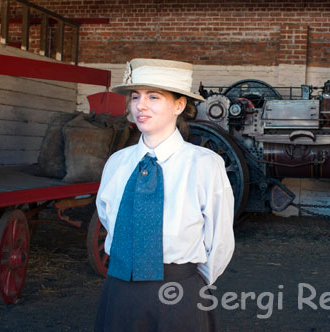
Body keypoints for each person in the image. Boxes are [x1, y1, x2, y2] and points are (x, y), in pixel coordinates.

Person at [94, 58, 235, 332]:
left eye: (154, 97)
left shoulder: (204, 165)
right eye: (136, 97)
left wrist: (188, 286)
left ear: (179, 105)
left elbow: (220, 240)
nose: (141, 106)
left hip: (179, 294)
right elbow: (108, 218)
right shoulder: (117, 164)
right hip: (120, 290)